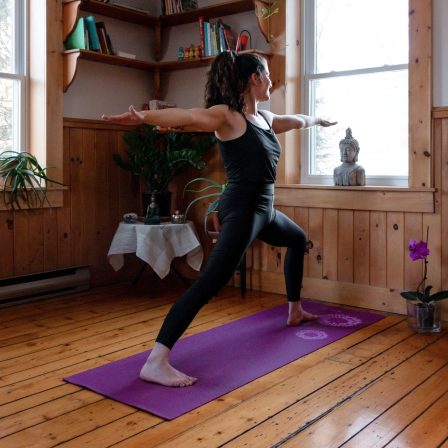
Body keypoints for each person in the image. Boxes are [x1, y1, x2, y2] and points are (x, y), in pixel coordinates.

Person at [102, 51, 336, 387]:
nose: (272, 80)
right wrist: (144, 117)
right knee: (210, 282)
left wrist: (318, 120)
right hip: (241, 210)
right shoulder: (228, 117)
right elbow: (190, 116)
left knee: (297, 238)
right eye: (267, 74)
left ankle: (294, 310)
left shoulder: (266, 118)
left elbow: (296, 119)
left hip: (265, 210)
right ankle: (155, 361)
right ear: (254, 78)